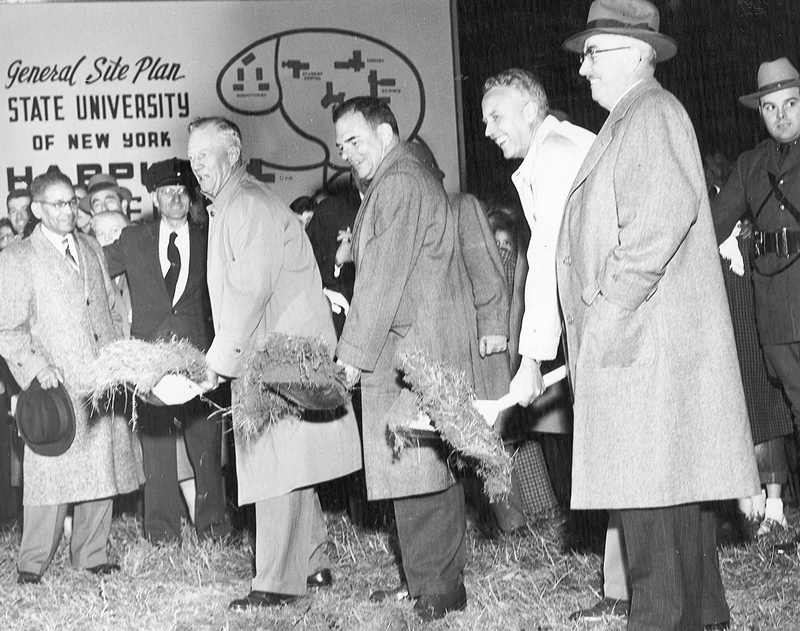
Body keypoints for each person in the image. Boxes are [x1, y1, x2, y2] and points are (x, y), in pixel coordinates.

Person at [557, 1, 760, 630]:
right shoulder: (641, 115)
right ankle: (703, 616)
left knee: (652, 514)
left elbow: (655, 224)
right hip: (650, 348)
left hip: (641, 348)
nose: (583, 69)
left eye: (593, 54)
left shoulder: (647, 114)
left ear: (634, 54)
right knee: (672, 504)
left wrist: (605, 311)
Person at [186, 117, 361, 609]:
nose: (197, 165)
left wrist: (217, 362)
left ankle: (277, 583)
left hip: (274, 359)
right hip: (276, 354)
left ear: (232, 153)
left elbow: (249, 291)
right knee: (291, 463)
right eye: (192, 157)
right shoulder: (235, 202)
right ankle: (312, 561)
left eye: (205, 154)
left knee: (272, 469)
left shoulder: (245, 204)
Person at [333, 97, 477, 621]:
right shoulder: (406, 176)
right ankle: (427, 580)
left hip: (408, 347)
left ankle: (437, 589)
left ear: (387, 133)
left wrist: (350, 357)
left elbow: (380, 281)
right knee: (421, 466)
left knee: (416, 469)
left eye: (355, 140)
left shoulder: (397, 183)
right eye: (341, 145)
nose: (347, 153)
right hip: (419, 341)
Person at [0, 170, 144, 584]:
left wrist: (120, 357)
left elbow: (111, 309)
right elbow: (8, 328)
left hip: (100, 380)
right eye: (58, 204)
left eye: (71, 203)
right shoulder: (18, 258)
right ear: (37, 208)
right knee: (49, 476)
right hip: (55, 386)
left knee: (101, 470)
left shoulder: (92, 247)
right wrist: (36, 367)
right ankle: (32, 562)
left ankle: (91, 554)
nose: (68, 211)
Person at [102, 158, 232, 544]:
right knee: (157, 450)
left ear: (191, 197)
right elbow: (93, 269)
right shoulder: (133, 239)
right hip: (151, 364)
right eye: (166, 192)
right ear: (154, 199)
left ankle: (214, 529)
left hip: (201, 361)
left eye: (181, 191)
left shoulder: (210, 237)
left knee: (206, 448)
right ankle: (161, 534)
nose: (175, 198)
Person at [711, 57, 800, 537]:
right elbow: (710, 226)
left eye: (791, 104)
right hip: (776, 310)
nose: (781, 116)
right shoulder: (750, 165)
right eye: (770, 107)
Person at [92, 211, 133, 340]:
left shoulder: (142, 272)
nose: (108, 238)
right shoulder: (93, 281)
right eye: (100, 234)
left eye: (115, 230)